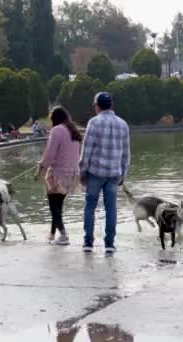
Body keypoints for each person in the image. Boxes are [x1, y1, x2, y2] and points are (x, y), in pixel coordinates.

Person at [79, 92, 130, 255]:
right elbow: (126, 153)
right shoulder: (123, 124)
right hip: (114, 174)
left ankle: (88, 242)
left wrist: (82, 171)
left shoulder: (94, 123)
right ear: (112, 105)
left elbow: (86, 151)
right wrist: (124, 174)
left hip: (95, 173)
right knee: (111, 208)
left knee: (90, 207)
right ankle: (109, 244)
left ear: (97, 106)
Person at [35, 106, 82, 246]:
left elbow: (49, 154)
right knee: (58, 205)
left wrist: (39, 169)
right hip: (71, 175)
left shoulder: (57, 130)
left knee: (53, 206)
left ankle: (63, 235)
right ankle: (52, 234)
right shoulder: (73, 130)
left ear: (55, 119)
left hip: (58, 174)